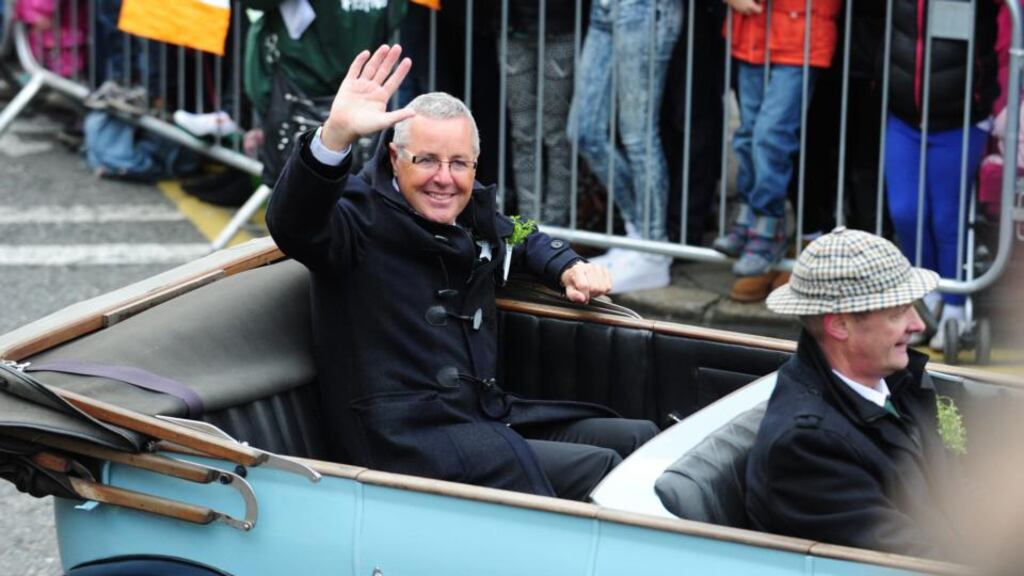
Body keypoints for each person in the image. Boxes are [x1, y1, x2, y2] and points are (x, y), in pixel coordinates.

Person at [266, 44, 659, 500]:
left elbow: (520, 232)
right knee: (603, 470)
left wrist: (567, 263)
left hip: (478, 418)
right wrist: (334, 136)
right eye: (427, 160)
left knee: (640, 439)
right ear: (395, 158)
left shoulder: (469, 210)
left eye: (459, 164)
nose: (444, 178)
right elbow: (292, 224)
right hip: (403, 441)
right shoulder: (356, 218)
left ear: (475, 166)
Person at [746, 227, 972, 561]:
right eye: (897, 312)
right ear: (839, 326)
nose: (918, 325)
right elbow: (914, 561)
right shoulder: (807, 447)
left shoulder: (892, 378)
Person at [883, 0, 1000, 351]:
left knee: (948, 219)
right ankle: (926, 296)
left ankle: (953, 304)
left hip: (960, 117)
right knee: (905, 211)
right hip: (905, 114)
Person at [712, 0, 841, 277]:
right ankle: (749, 218)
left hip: (800, 32)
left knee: (770, 136)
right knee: (747, 135)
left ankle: (768, 225)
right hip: (752, 30)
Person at [570, 0, 683, 293]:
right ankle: (639, 235)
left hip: (644, 8)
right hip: (605, 8)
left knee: (638, 134)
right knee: (584, 130)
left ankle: (652, 250)